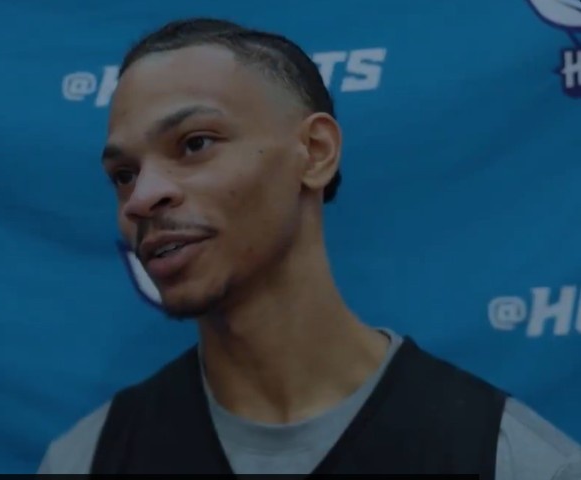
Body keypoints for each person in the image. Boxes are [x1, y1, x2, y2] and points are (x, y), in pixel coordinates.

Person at [37, 18, 581, 478]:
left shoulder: (510, 460)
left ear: (315, 152)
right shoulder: (85, 461)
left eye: (195, 143)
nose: (142, 197)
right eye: (124, 175)